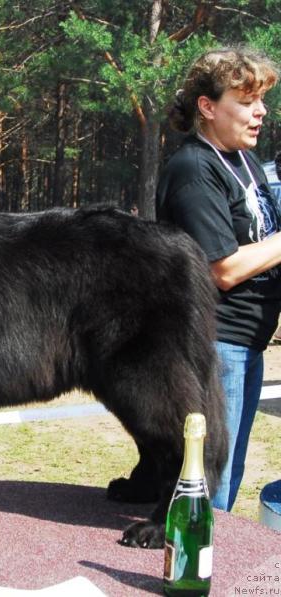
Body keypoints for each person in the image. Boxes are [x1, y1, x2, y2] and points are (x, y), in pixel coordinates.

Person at [156, 48, 281, 511]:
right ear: (207, 107)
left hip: (248, 342)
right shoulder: (194, 168)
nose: (261, 111)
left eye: (262, 99)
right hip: (215, 342)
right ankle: (198, 572)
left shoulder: (243, 161)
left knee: (230, 473)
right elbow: (222, 269)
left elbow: (263, 243)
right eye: (247, 100)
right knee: (212, 483)